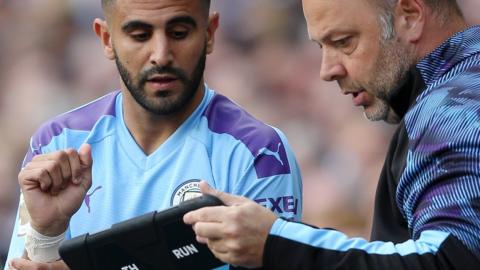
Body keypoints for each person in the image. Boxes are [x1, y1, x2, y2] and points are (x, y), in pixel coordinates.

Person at [4, 0, 303, 269]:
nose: (160, 55)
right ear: (107, 39)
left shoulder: (259, 154)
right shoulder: (58, 141)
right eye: (140, 35)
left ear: (210, 33)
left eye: (179, 32)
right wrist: (46, 234)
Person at [184, 0, 480, 269]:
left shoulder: (453, 108)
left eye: (343, 42)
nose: (327, 70)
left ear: (411, 16)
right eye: (321, 47)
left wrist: (276, 242)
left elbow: (450, 260)